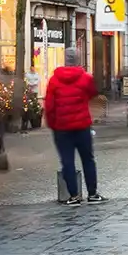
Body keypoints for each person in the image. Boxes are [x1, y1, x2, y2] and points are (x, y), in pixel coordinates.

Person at [44, 48, 103, 205]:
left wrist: (52, 125)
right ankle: (92, 194)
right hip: (82, 126)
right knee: (88, 160)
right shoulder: (85, 78)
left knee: (67, 162)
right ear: (78, 59)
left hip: (62, 129)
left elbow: (49, 106)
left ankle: (74, 196)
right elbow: (93, 94)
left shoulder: (54, 80)